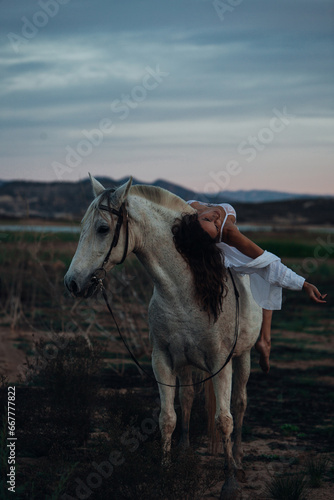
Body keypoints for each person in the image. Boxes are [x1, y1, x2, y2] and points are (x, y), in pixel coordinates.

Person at [172, 200, 327, 373]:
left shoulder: (188, 209)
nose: (215, 219)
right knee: (264, 266)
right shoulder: (228, 232)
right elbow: (269, 262)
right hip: (221, 248)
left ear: (194, 220)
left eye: (209, 220)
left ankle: (265, 339)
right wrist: (303, 284)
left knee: (263, 271)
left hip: (197, 229)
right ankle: (265, 340)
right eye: (215, 226)